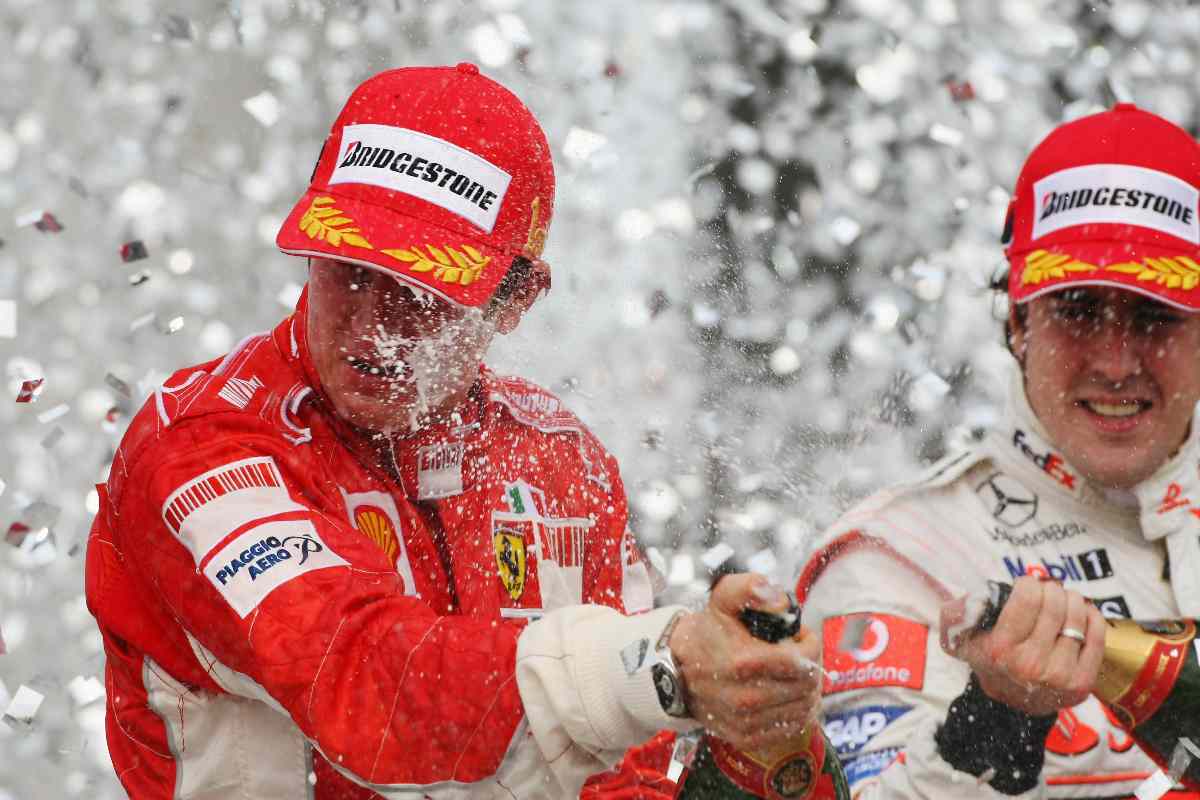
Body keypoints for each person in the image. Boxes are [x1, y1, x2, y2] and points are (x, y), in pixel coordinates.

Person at [84, 64, 823, 800]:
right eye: (349, 270)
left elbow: (622, 780)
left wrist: (767, 752)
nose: (373, 326)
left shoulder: (562, 460)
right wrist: (667, 664)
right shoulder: (201, 445)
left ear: (517, 298)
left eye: (420, 289)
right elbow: (369, 687)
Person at [796, 103, 1200, 798]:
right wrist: (992, 720)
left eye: (1154, 314)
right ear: (1016, 322)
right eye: (1076, 310)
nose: (1115, 360)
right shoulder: (898, 553)